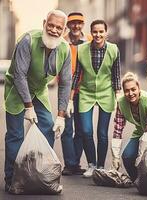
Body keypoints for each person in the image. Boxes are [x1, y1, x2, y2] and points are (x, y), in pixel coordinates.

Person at [4, 10, 71, 192]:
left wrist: (61, 116)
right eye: (51, 25)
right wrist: (28, 107)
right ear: (44, 23)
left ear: (64, 30)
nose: (54, 30)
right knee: (15, 135)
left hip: (39, 91)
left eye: (59, 27)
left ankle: (41, 175)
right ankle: (12, 179)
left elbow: (65, 83)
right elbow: (19, 76)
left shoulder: (65, 49)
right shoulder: (28, 40)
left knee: (48, 127)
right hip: (17, 90)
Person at [68, 19, 121, 178]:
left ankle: (100, 166)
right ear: (91, 33)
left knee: (102, 133)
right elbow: (77, 74)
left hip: (106, 93)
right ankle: (91, 164)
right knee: (85, 131)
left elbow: (116, 75)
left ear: (106, 32)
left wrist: (118, 95)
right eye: (95, 32)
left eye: (101, 31)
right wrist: (71, 99)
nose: (98, 34)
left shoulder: (113, 49)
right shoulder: (81, 49)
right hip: (86, 93)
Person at [110, 72, 147, 182]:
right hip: (141, 131)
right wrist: (115, 157)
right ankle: (138, 180)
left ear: (139, 88)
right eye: (127, 90)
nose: (130, 93)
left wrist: (141, 157)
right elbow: (117, 130)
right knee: (127, 156)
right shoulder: (121, 103)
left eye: (133, 89)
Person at [61, 12, 92, 176]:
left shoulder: (89, 40)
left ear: (83, 24)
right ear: (68, 25)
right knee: (66, 128)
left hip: (85, 91)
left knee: (81, 129)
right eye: (73, 23)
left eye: (79, 23)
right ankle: (69, 164)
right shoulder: (62, 42)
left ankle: (75, 163)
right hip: (66, 91)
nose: (76, 26)